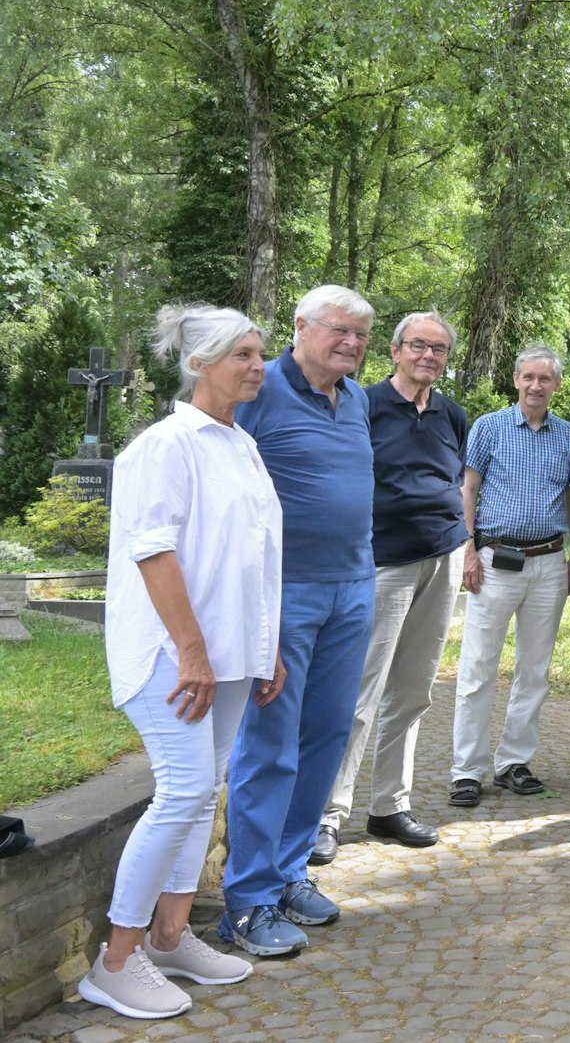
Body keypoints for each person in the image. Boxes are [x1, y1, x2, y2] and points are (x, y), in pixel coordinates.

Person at [80, 305, 282, 1019]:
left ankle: (169, 936)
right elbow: (153, 552)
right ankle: (115, 959)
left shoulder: (241, 445)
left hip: (227, 653)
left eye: (261, 353)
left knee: (204, 790)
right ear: (200, 364)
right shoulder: (165, 446)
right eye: (243, 354)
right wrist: (192, 652)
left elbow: (251, 557)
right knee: (183, 788)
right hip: (170, 653)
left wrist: (266, 647)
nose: (258, 365)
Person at [222, 285, 377, 956]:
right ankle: (247, 902)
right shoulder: (261, 391)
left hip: (352, 588)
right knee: (270, 744)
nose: (350, 343)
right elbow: (231, 498)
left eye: (361, 335)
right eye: (339, 331)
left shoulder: (359, 397)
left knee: (326, 736)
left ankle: (287, 874)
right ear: (301, 328)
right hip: (285, 596)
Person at [313, 311, 469, 865]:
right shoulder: (362, 404)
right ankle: (328, 814)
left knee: (414, 690)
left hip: (444, 558)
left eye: (439, 349)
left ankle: (388, 807)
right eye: (419, 346)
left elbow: (456, 480)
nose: (429, 356)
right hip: (383, 563)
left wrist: (464, 542)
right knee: (360, 692)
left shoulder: (452, 413)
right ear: (397, 351)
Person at [449, 345, 570, 808]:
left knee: (534, 670)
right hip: (493, 561)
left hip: (549, 563)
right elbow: (468, 488)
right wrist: (467, 551)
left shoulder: (569, 436)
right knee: (477, 667)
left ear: (556, 386)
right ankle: (466, 770)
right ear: (515, 379)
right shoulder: (487, 427)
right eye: (528, 377)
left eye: (545, 379)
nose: (536, 386)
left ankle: (513, 763)